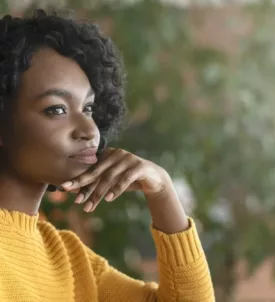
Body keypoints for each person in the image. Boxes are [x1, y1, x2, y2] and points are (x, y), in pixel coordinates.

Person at [0, 8, 215, 302]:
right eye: (57, 109)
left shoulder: (69, 258)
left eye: (88, 108)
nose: (89, 129)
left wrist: (162, 190)